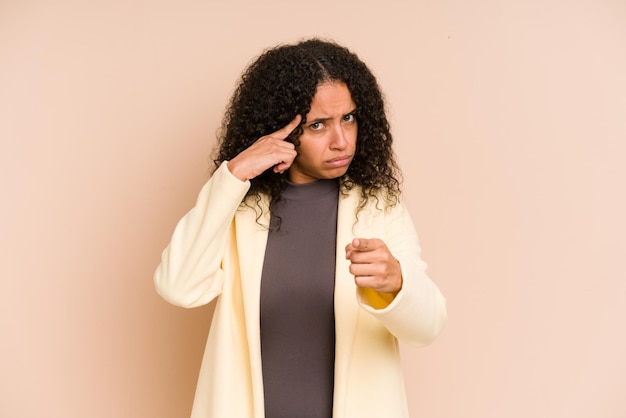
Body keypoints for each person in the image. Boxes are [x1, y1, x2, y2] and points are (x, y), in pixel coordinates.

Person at [154, 38, 447, 418]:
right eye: (318, 125)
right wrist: (233, 175)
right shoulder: (239, 211)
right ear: (283, 130)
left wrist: (397, 283)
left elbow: (427, 328)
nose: (341, 140)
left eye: (349, 118)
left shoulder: (380, 208)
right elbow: (178, 286)